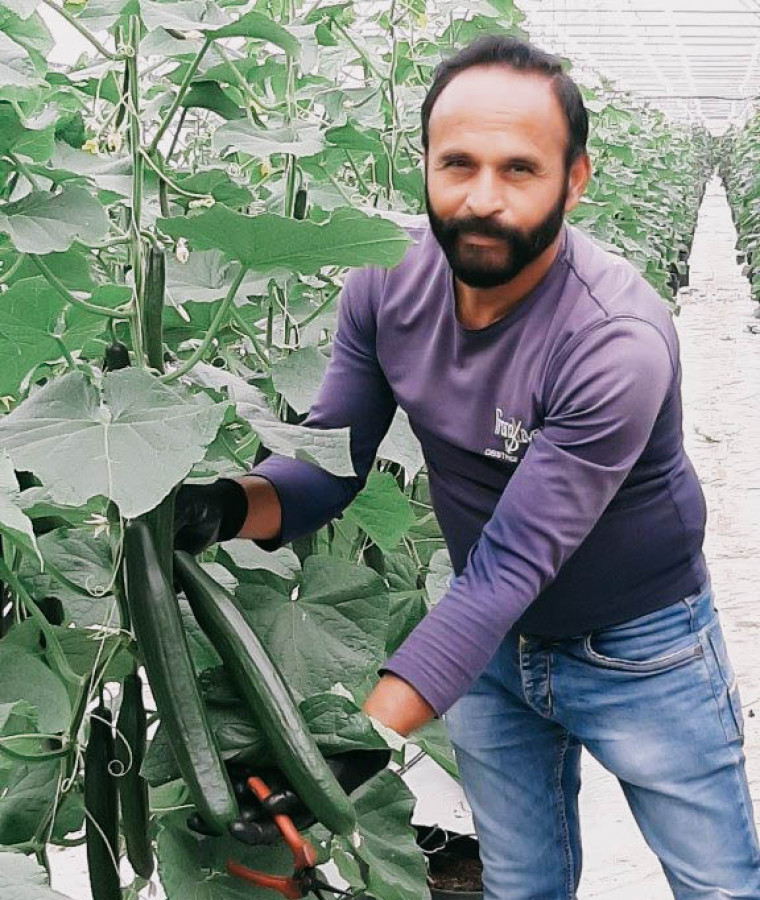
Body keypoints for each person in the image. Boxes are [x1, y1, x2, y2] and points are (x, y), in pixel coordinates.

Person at [175, 35, 760, 899]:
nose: (482, 198)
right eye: (458, 163)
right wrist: (224, 507)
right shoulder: (382, 283)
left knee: (719, 887)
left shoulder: (616, 341)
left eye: (519, 169)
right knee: (521, 885)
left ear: (577, 179)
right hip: (487, 651)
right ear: (424, 164)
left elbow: (507, 569)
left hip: (640, 648)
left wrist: (348, 744)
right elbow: (328, 469)